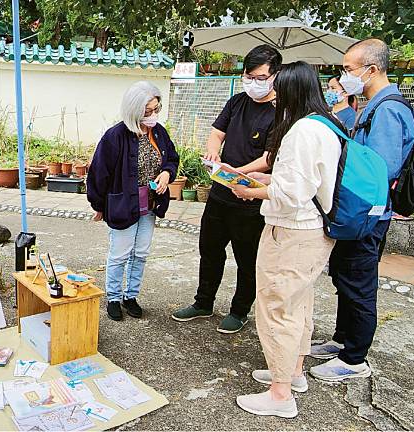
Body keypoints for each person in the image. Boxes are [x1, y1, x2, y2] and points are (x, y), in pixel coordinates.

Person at [231, 61, 344, 418]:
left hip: (293, 230)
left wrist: (251, 191)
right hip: (315, 231)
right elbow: (306, 184)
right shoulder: (328, 125)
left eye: (279, 87)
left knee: (277, 308)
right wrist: (262, 183)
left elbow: (291, 192)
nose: (273, 94)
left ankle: (280, 395)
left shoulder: (301, 131)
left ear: (292, 90)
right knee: (299, 304)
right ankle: (292, 373)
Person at [309, 39, 414, 381]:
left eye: (349, 69)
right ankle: (342, 339)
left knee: (359, 283)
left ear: (371, 69)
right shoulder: (374, 104)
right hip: (359, 212)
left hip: (368, 215)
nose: (344, 76)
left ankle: (354, 359)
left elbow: (379, 169)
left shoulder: (388, 110)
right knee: (344, 275)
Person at [171, 45, 282, 333]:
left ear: (275, 77)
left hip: (250, 197)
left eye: (260, 77)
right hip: (220, 193)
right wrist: (213, 154)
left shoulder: (280, 112)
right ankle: (203, 302)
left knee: (247, 259)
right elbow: (216, 133)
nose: (253, 83)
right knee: (209, 249)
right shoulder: (236, 102)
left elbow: (269, 158)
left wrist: (238, 172)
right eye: (249, 75)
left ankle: (239, 310)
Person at [87, 81, 179, 321]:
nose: (153, 116)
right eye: (147, 111)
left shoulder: (158, 132)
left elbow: (172, 158)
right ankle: (114, 298)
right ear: (134, 109)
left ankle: (131, 296)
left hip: (150, 203)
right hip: (123, 203)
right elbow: (98, 173)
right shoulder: (115, 136)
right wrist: (98, 205)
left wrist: (167, 173)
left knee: (141, 253)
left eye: (156, 109)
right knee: (120, 253)